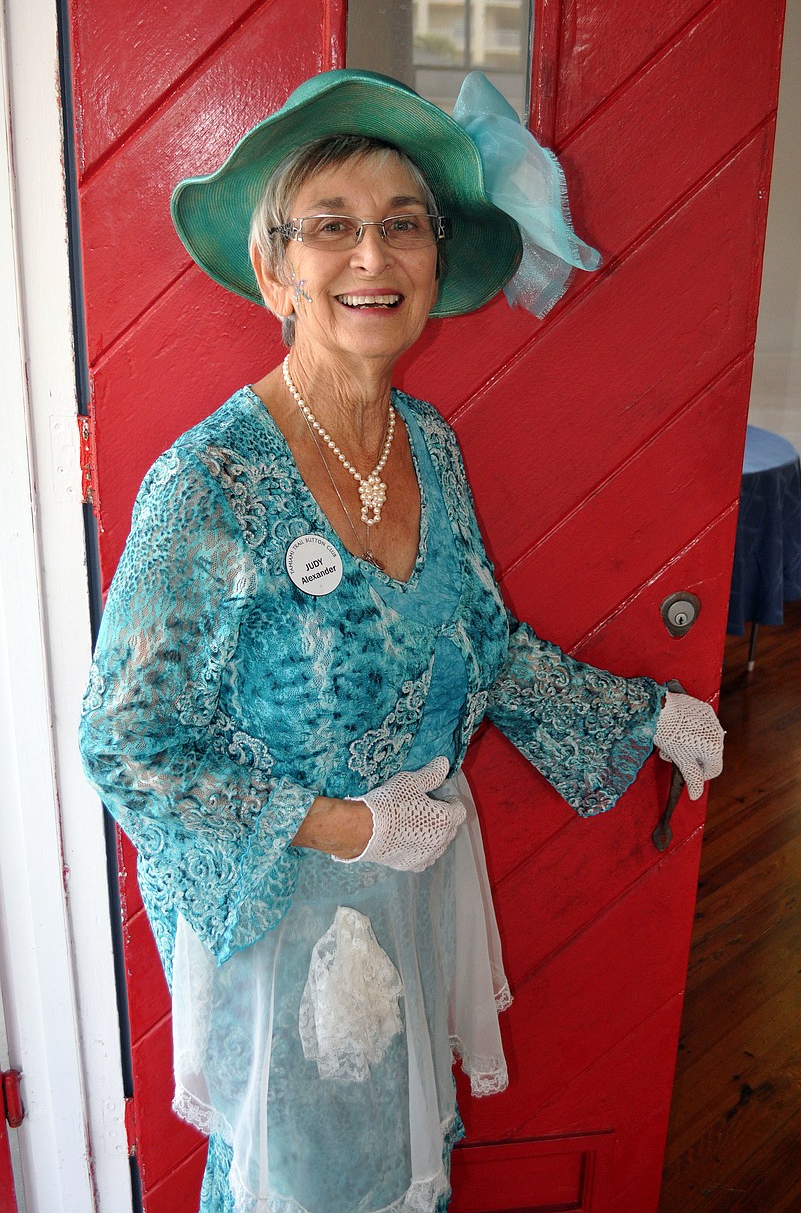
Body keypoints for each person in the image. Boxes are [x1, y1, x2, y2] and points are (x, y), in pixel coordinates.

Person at [79, 68, 724, 1213]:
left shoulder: (426, 444)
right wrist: (343, 826)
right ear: (275, 272)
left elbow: (488, 643)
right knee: (304, 1187)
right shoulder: (210, 482)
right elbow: (125, 746)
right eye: (331, 228)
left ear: (436, 260)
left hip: (412, 894)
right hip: (285, 928)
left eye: (402, 226)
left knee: (403, 1172)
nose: (372, 258)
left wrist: (641, 713)